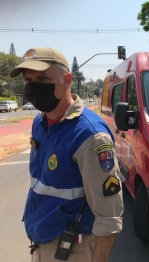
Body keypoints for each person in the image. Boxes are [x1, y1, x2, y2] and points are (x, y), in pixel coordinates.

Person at [9, 47, 123, 261]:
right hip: (42, 243)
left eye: (43, 78)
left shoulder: (91, 136)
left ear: (67, 80)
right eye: (28, 80)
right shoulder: (40, 122)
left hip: (74, 250)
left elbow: (109, 216)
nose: (33, 86)